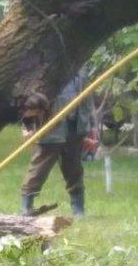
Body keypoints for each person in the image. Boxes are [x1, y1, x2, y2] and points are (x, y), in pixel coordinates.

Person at [20, 67, 97, 217]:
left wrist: (91, 126)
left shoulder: (81, 70)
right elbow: (31, 100)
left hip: (75, 127)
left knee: (74, 170)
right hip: (51, 127)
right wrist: (28, 126)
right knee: (39, 169)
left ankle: (78, 209)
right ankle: (26, 208)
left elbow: (88, 99)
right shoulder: (51, 66)